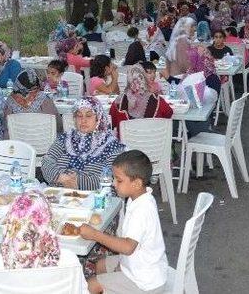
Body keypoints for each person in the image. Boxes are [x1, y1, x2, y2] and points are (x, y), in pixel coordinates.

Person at [81, 150, 168, 294]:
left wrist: (94, 234)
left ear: (137, 183)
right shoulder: (140, 197)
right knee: (100, 265)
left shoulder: (142, 209)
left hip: (145, 282)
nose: (114, 184)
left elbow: (128, 247)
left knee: (91, 286)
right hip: (142, 265)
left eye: (119, 180)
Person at [41, 97, 125, 190]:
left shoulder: (111, 145)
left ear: (98, 118)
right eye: (79, 115)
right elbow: (47, 161)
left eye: (88, 115)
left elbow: (113, 177)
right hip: (59, 196)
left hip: (96, 198)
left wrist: (76, 182)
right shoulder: (65, 138)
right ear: (74, 118)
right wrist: (60, 178)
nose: (83, 120)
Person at [109, 66, 172, 131]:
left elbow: (112, 122)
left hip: (126, 139)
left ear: (128, 80)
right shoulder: (157, 99)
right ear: (144, 79)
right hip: (153, 139)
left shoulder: (119, 101)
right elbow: (169, 113)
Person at [3, 69, 63, 135]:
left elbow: (6, 126)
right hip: (44, 141)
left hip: (18, 143)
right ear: (37, 82)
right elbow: (59, 125)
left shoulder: (10, 100)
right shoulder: (45, 99)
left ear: (18, 83)